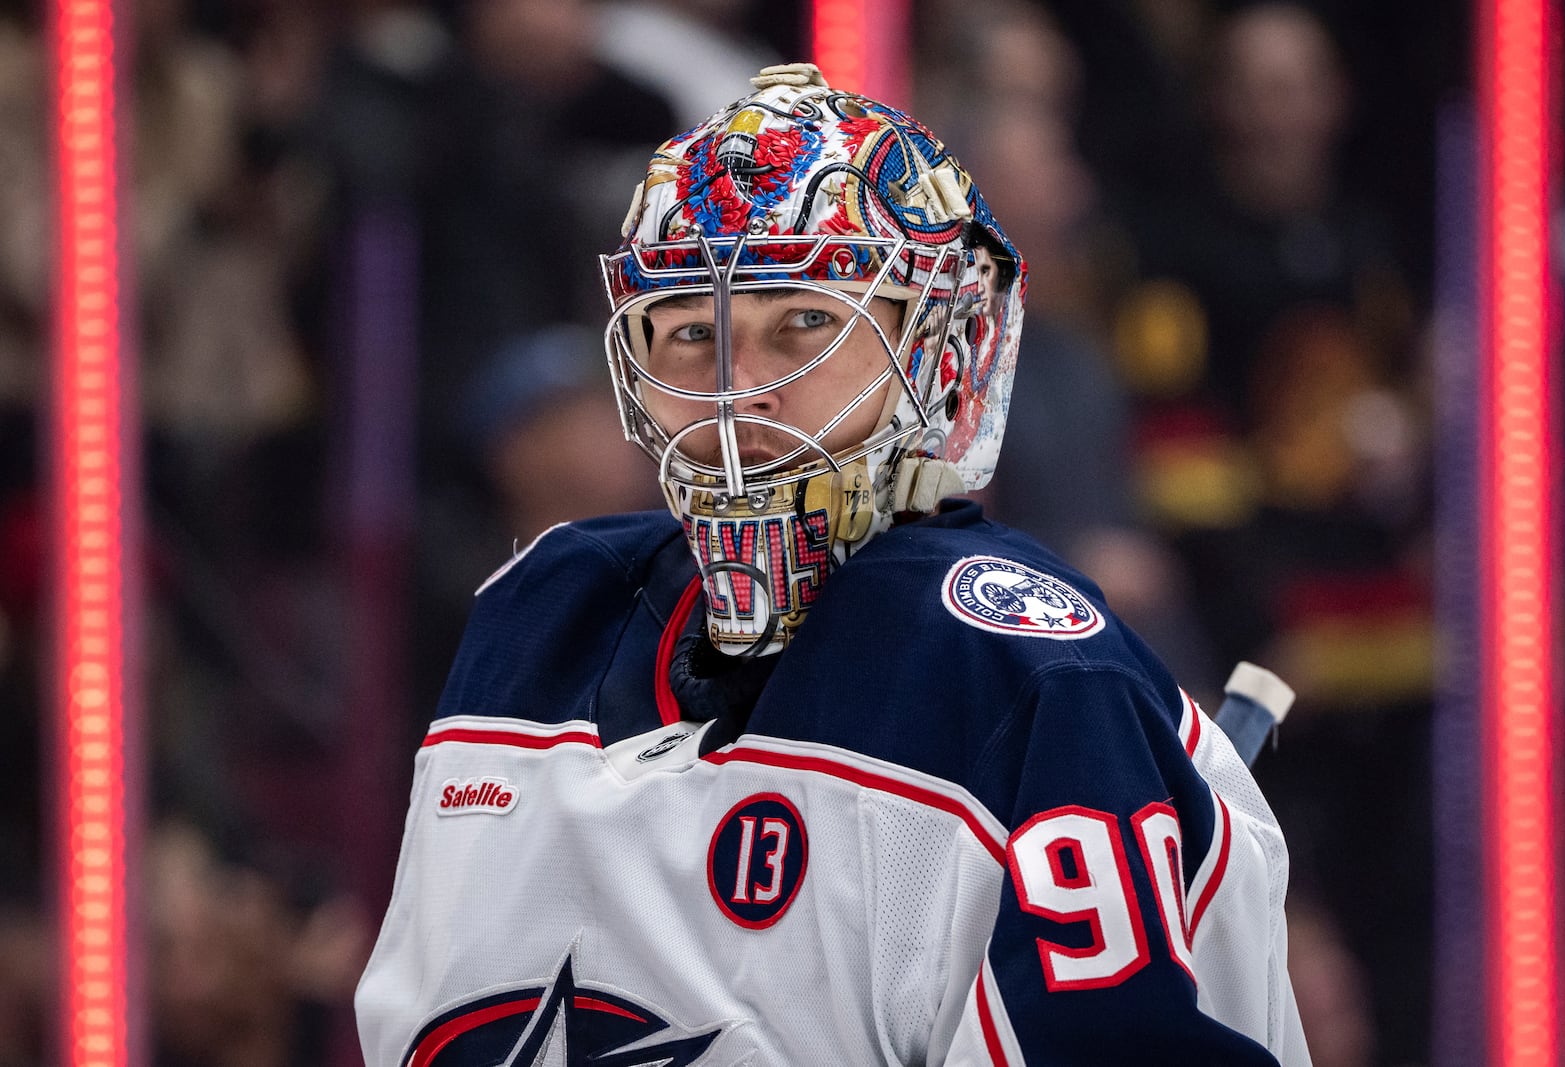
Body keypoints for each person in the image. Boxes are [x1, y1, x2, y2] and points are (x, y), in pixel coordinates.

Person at [355, 64, 1309, 1065]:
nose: (736, 391)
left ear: (945, 350)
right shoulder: (540, 613)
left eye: (804, 322)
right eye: (689, 330)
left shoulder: (1028, 673)